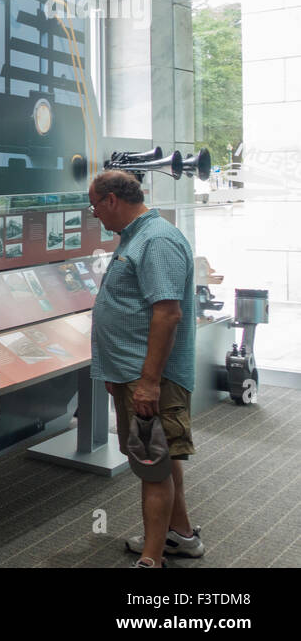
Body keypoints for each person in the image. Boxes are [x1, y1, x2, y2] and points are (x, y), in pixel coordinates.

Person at [88, 170, 202, 567]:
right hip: (133, 373)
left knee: (152, 465)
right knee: (163, 457)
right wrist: (115, 373)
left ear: (112, 201)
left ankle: (152, 559)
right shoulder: (138, 237)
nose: (96, 216)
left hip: (150, 377)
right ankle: (181, 536)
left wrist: (148, 383)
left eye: (95, 207)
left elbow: (167, 314)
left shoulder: (155, 241)